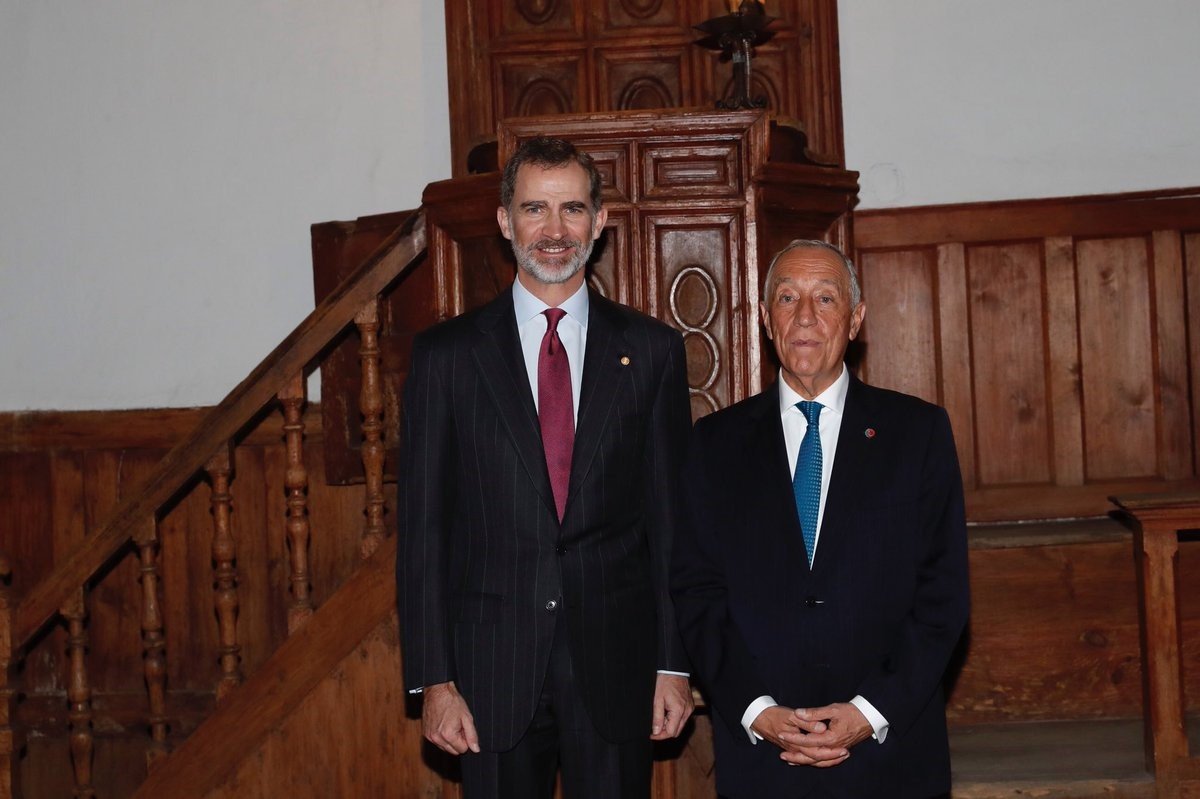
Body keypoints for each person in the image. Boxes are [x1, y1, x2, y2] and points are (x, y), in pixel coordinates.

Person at [397, 136, 694, 799]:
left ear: (600, 220)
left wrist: (674, 663)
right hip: (489, 675)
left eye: (573, 209)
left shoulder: (650, 352)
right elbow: (423, 533)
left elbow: (672, 524)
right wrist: (434, 678)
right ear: (505, 222)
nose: (555, 231)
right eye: (535, 209)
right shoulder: (446, 359)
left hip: (619, 669)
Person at [670, 240, 970, 798]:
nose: (805, 316)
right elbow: (696, 589)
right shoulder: (715, 445)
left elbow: (943, 593)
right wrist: (755, 708)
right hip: (765, 758)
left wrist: (869, 711)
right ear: (766, 319)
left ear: (855, 320)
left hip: (890, 756)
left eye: (825, 298)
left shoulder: (917, 434)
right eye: (787, 297)